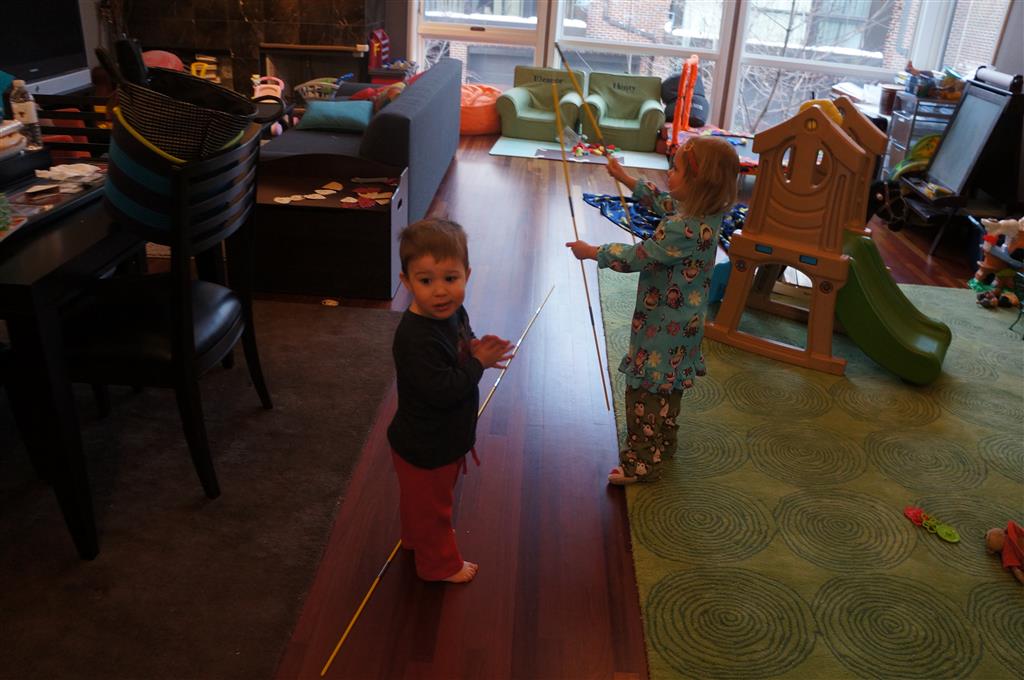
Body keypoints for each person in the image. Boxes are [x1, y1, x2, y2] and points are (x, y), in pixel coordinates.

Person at [566, 136, 739, 485]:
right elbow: (664, 202)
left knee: (644, 394)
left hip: (661, 329)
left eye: (676, 169)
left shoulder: (680, 231)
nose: (669, 173)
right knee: (668, 389)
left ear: (696, 183)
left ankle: (641, 463)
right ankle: (664, 442)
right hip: (685, 330)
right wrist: (626, 179)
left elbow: (637, 257)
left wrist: (593, 251)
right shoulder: (708, 217)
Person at [388, 218, 514, 583]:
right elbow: (443, 391)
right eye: (426, 281)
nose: (441, 291)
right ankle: (438, 566)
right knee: (436, 509)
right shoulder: (414, 339)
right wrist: (478, 364)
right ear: (406, 281)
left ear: (467, 275)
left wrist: (474, 347)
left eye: (450, 278)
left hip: (434, 438)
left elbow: (462, 336)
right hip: (427, 445)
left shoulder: (454, 312)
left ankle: (415, 539)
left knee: (422, 502)